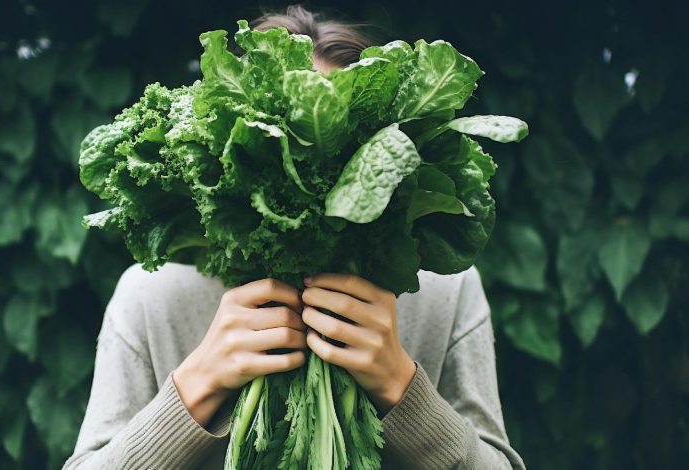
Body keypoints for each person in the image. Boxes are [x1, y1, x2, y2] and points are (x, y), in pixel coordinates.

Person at [63, 5, 526, 470]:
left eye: (336, 148)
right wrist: (198, 383)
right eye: (276, 144)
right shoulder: (151, 300)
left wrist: (400, 385)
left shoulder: (447, 296)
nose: (309, 174)